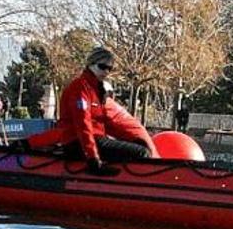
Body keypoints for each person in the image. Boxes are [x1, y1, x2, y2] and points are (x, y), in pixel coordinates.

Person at [16, 47, 150, 173]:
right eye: (102, 67)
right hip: (79, 142)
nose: (106, 72)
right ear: (90, 64)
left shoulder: (97, 90)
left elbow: (102, 125)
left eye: (109, 68)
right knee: (141, 153)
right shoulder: (80, 88)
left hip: (93, 139)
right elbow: (83, 125)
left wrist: (128, 141)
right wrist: (92, 157)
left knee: (141, 148)